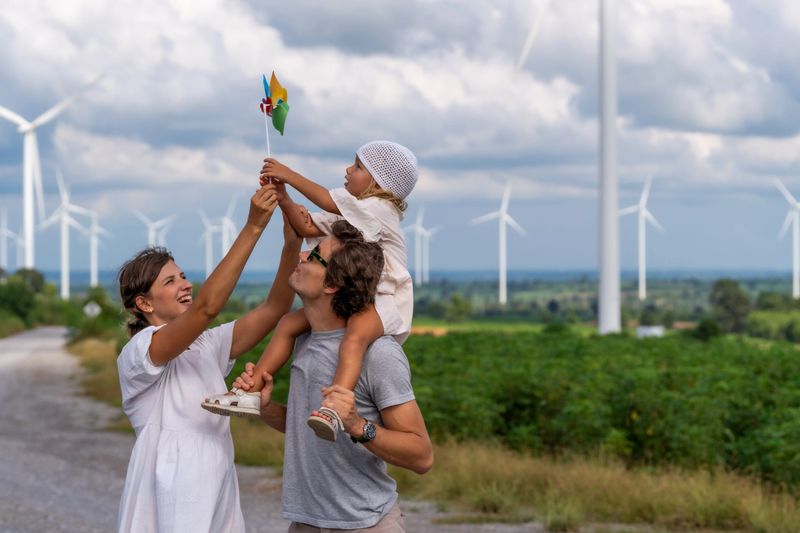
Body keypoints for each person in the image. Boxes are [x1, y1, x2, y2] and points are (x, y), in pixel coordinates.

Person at [115, 184, 302, 532]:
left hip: (218, 480)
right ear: (144, 304)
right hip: (171, 491)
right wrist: (253, 228)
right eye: (170, 281)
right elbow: (207, 308)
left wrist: (292, 245)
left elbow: (276, 306)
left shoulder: (206, 345)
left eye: (183, 276)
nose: (185, 284)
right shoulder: (141, 351)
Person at [203, 141, 417, 442]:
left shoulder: (379, 209)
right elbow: (305, 226)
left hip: (383, 300)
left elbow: (328, 200)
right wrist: (282, 196)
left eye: (357, 166)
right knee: (289, 324)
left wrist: (288, 174)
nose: (347, 169)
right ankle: (249, 393)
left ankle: (335, 405)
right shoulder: (352, 217)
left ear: (379, 182)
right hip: (352, 296)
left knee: (354, 338)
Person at [237, 220, 433, 531]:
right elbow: (307, 428)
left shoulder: (378, 354)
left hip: (367, 525)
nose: (301, 255)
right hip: (305, 523)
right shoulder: (303, 341)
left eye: (314, 255)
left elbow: (422, 456)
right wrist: (265, 408)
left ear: (332, 285)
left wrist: (357, 425)